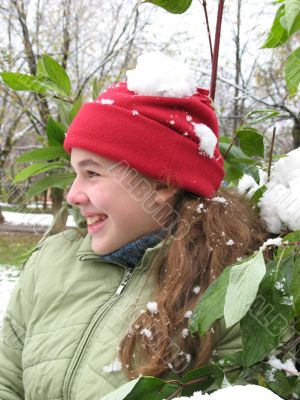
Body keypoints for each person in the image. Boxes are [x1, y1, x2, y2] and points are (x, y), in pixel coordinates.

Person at [0, 53, 265, 400]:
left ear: (161, 183)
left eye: (92, 173)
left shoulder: (227, 293)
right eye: (75, 172)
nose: (73, 195)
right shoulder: (51, 261)